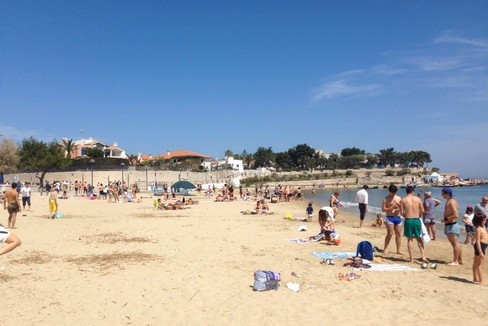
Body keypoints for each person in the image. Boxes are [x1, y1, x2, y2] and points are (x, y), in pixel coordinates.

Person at [400, 186, 428, 263]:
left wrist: (405, 216)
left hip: (408, 220)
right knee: (419, 238)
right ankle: (423, 256)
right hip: (416, 219)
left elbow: (401, 212)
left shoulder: (403, 200)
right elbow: (422, 210)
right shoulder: (418, 199)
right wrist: (419, 216)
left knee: (409, 239)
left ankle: (411, 259)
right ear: (412, 191)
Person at [441, 187, 463, 265]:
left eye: (443, 193)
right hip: (451, 225)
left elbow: (456, 215)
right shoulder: (450, 201)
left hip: (452, 225)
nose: (441, 195)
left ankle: (455, 261)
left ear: (447, 194)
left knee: (455, 243)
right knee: (456, 243)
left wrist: (446, 219)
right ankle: (459, 260)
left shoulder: (451, 202)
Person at [382, 184, 403, 255]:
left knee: (398, 234)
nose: (393, 194)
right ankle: (385, 248)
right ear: (389, 191)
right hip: (390, 217)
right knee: (390, 233)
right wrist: (391, 208)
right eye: (392, 192)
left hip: (398, 217)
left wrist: (399, 207)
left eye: (394, 192)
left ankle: (398, 250)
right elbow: (383, 209)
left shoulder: (399, 198)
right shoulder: (386, 199)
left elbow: (402, 208)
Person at [472, 212, 487, 285]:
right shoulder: (478, 229)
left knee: (476, 263)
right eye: (484, 220)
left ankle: (475, 278)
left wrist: (472, 241)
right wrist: (480, 252)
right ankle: (481, 280)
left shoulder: (482, 228)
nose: (485, 221)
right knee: (479, 264)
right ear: (479, 221)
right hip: (480, 246)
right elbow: (477, 241)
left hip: (483, 246)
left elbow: (475, 238)